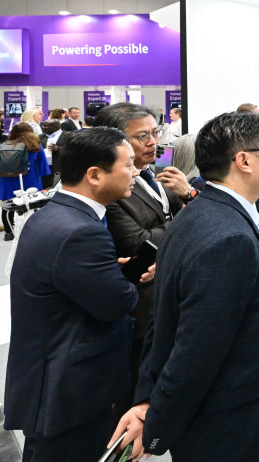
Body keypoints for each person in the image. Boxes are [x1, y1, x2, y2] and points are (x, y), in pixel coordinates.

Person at [110, 111, 259, 460]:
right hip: (228, 427)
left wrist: (147, 398)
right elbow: (195, 350)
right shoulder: (229, 239)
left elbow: (164, 322)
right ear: (244, 161)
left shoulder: (197, 212)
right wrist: (157, 420)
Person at [4, 127, 140, 461]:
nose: (135, 172)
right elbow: (117, 303)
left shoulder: (55, 214)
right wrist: (130, 282)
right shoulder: (81, 232)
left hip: (51, 374)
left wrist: (106, 272)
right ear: (95, 175)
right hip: (70, 387)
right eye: (128, 165)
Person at [93, 102, 193, 424]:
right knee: (133, 392)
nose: (153, 142)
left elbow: (175, 216)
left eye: (155, 133)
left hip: (170, 291)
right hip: (139, 303)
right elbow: (138, 242)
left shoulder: (161, 167)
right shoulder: (111, 188)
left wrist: (187, 196)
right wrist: (184, 220)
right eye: (142, 137)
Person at [0, 122, 51, 240]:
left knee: (8, 205)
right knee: (32, 205)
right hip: (30, 179)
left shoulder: (4, 145)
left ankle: (8, 232)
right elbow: (43, 165)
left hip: (7, 180)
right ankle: (33, 231)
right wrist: (46, 179)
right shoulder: (35, 146)